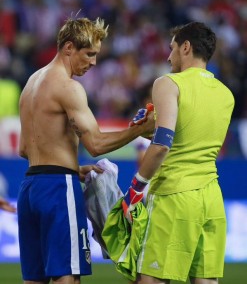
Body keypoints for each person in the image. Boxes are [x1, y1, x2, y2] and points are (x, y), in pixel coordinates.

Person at [18, 16, 154, 284]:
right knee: (67, 276)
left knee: (34, 279)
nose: (93, 62)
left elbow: (24, 148)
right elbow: (96, 144)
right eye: (89, 54)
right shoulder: (68, 87)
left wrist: (72, 166)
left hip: (30, 189)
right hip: (58, 191)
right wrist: (140, 130)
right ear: (69, 48)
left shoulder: (31, 83)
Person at [122, 22, 234, 284]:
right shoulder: (226, 95)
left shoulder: (168, 83)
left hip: (175, 195)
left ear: (186, 47)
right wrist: (153, 125)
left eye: (172, 48)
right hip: (212, 199)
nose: (169, 56)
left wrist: (136, 188)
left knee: (151, 280)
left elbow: (163, 144)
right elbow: (193, 133)